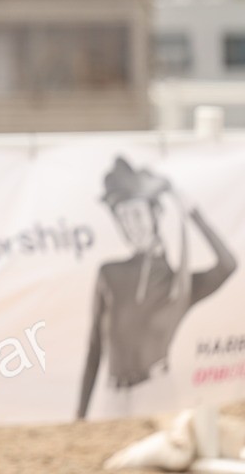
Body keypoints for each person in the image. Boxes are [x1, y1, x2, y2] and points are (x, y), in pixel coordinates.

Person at [77, 156, 237, 419]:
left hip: (156, 394)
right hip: (113, 398)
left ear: (155, 214)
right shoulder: (110, 274)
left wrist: (192, 211)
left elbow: (228, 264)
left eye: (137, 214)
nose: (131, 224)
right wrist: (80, 415)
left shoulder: (181, 285)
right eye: (123, 217)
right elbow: (95, 347)